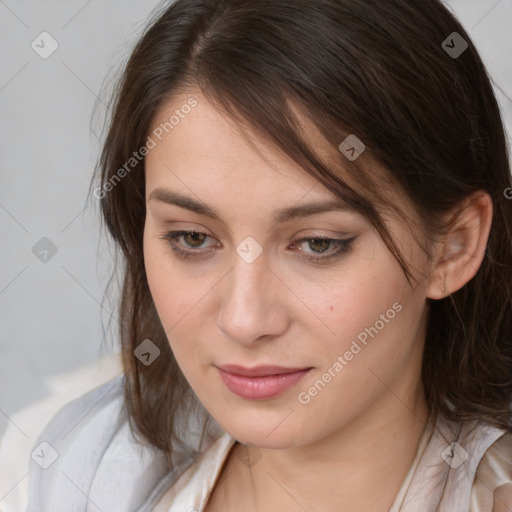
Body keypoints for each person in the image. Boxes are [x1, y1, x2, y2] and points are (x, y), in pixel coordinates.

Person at [24, 0, 512, 510]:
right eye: (192, 238)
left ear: (453, 247)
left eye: (318, 243)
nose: (244, 320)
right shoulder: (76, 468)